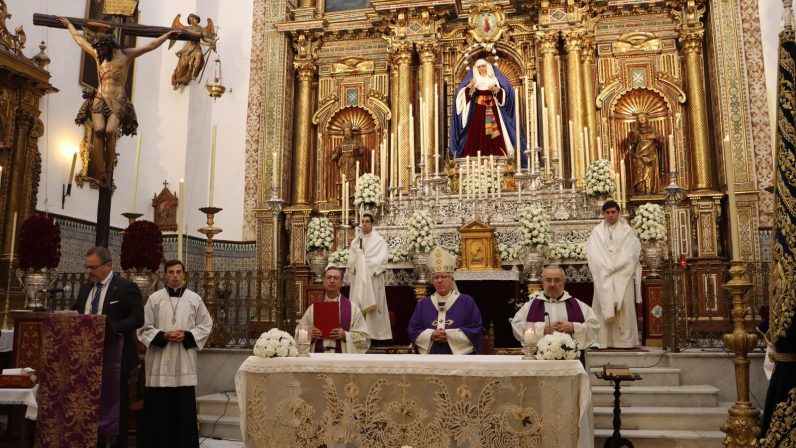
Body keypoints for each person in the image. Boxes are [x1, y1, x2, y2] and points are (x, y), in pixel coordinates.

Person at [58, 17, 177, 187]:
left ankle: (108, 169)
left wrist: (166, 36)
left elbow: (149, 46)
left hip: (118, 98)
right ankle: (101, 172)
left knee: (109, 131)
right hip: (100, 97)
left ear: (110, 44)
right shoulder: (98, 55)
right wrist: (70, 26)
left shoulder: (125, 55)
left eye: (102, 48)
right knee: (98, 130)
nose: (99, 52)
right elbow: (80, 40)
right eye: (98, 49)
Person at [73, 246, 144, 448]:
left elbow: (138, 318)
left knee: (116, 406)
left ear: (109, 265)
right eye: (87, 267)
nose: (89, 271)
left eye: (93, 267)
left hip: (116, 358)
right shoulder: (86, 288)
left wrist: (110, 327)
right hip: (87, 358)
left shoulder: (125, 287)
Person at [137, 259, 212, 448]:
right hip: (159, 362)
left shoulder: (194, 299)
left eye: (179, 272)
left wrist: (187, 335)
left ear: (184, 275)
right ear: (165, 275)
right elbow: (143, 328)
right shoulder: (155, 299)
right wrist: (162, 335)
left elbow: (206, 325)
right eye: (171, 272)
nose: (175, 276)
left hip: (183, 362)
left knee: (183, 411)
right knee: (159, 410)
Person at [586, 200, 642, 348]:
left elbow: (631, 253)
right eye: (607, 213)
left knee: (625, 307)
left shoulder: (627, 231)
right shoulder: (597, 231)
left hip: (623, 273)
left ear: (619, 212)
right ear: (603, 214)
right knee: (601, 306)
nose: (610, 215)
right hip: (604, 274)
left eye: (613, 212)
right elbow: (593, 253)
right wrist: (607, 267)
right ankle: (603, 340)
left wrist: (616, 266)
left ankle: (626, 341)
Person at [408, 247, 484, 354]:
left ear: (452, 280)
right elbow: (413, 330)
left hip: (459, 359)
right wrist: (431, 335)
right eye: (436, 277)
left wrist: (449, 335)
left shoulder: (466, 301)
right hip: (431, 357)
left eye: (443, 276)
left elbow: (476, 329)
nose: (439, 281)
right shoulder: (423, 304)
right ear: (433, 281)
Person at [511, 265, 599, 350]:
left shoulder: (578, 305)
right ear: (542, 282)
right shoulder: (530, 305)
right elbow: (516, 326)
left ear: (564, 282)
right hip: (538, 359)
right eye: (548, 280)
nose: (552, 284)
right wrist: (541, 329)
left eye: (557, 280)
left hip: (568, 360)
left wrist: (574, 327)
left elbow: (594, 326)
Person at [449, 58, 522, 158]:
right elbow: (466, 95)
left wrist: (496, 90)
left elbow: (501, 94)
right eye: (479, 67)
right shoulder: (475, 80)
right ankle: (476, 157)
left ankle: (498, 155)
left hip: (492, 108)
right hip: (479, 108)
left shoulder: (493, 79)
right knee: (477, 131)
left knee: (495, 132)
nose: (482, 68)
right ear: (476, 69)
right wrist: (470, 87)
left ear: (487, 67)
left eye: (483, 66)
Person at [297, 266, 370, 353]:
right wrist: (310, 335)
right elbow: (299, 333)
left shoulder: (353, 309)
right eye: (328, 277)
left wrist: (345, 335)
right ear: (324, 282)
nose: (332, 281)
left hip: (342, 360)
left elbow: (365, 339)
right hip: (318, 359)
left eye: (336, 278)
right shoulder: (312, 309)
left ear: (342, 283)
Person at [347, 213, 392, 343]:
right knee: (357, 305)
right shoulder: (356, 242)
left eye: (367, 221)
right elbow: (351, 260)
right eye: (363, 221)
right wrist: (357, 264)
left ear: (372, 224)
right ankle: (358, 334)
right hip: (358, 280)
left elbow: (381, 260)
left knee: (374, 309)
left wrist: (365, 265)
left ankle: (376, 335)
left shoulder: (379, 241)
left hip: (373, 280)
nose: (364, 224)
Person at [170, 13, 217, 89]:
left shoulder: (202, 29)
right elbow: (182, 32)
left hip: (196, 48)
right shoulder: (188, 28)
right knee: (183, 64)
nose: (192, 21)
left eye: (193, 19)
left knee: (198, 58)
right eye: (190, 20)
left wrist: (211, 42)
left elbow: (203, 39)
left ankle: (194, 74)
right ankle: (177, 79)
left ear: (197, 19)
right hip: (187, 48)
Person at [627, 112, 662, 194]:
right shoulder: (635, 130)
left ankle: (650, 189)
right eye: (639, 117)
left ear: (646, 118)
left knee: (650, 171)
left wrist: (654, 137)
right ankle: (641, 190)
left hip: (651, 153)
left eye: (643, 117)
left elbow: (659, 138)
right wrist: (647, 137)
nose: (641, 119)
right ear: (637, 120)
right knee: (639, 171)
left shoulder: (652, 129)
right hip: (640, 154)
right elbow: (632, 139)